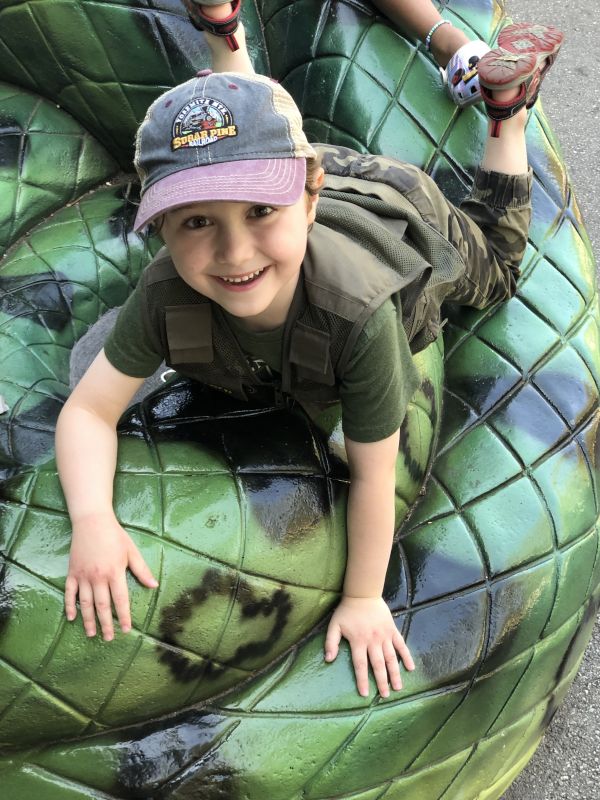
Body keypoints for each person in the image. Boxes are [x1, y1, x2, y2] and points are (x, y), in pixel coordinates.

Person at [56, 0, 563, 700]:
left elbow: (374, 476)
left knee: (499, 267)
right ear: (162, 228)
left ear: (304, 201)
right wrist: (92, 521)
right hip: (310, 180)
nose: (232, 253)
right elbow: (87, 414)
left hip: (401, 217)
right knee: (251, 157)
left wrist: (362, 598)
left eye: (256, 213)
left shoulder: (358, 318)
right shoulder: (168, 288)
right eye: (197, 222)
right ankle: (225, 33)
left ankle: (506, 108)